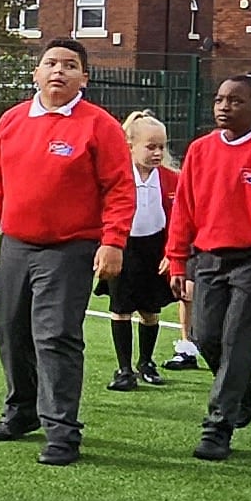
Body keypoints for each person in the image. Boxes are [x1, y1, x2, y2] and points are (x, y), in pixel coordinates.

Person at [0, 41, 133, 464]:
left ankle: (62, 432)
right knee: (10, 329)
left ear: (85, 78)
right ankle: (22, 409)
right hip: (17, 245)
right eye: (50, 63)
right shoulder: (12, 120)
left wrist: (113, 240)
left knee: (56, 336)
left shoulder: (99, 126)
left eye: (70, 65)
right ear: (35, 73)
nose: (58, 71)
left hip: (70, 248)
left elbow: (119, 188)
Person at [169, 73, 251, 462]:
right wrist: (178, 260)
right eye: (220, 100)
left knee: (236, 342)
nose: (225, 107)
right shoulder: (199, 151)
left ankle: (218, 427)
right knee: (204, 336)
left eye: (236, 101)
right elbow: (184, 210)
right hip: (208, 259)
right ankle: (244, 381)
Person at [108, 114, 182, 392]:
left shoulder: (170, 179)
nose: (158, 153)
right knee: (121, 309)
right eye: (150, 147)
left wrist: (171, 252)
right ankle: (123, 368)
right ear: (130, 146)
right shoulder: (118, 175)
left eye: (161, 147)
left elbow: (180, 218)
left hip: (155, 248)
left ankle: (146, 362)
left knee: (150, 310)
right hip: (124, 247)